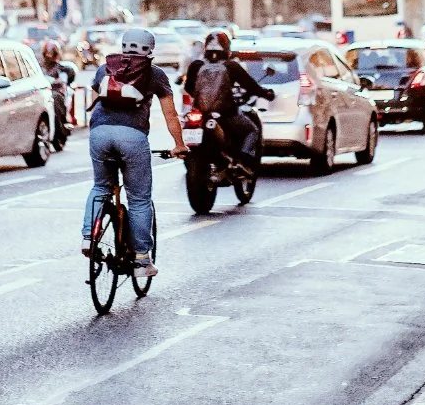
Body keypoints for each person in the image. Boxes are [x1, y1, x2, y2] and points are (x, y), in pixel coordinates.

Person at [82, 27, 186, 276]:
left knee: (100, 187)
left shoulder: (104, 68)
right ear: (150, 50)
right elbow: (170, 114)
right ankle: (141, 260)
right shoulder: (155, 74)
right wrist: (179, 145)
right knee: (139, 199)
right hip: (132, 136)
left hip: (100, 133)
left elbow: (93, 103)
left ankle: (89, 236)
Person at [181, 28, 273, 171]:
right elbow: (250, 86)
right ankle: (243, 161)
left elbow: (188, 87)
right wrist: (266, 93)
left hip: (200, 114)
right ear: (226, 47)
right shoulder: (231, 66)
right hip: (226, 114)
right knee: (252, 130)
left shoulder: (196, 65)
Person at [39, 39, 76, 150]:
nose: (49, 56)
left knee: (55, 98)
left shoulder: (62, 68)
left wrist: (58, 81)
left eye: (52, 53)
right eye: (47, 53)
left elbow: (65, 80)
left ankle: (61, 127)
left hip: (56, 93)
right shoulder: (39, 68)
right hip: (43, 93)